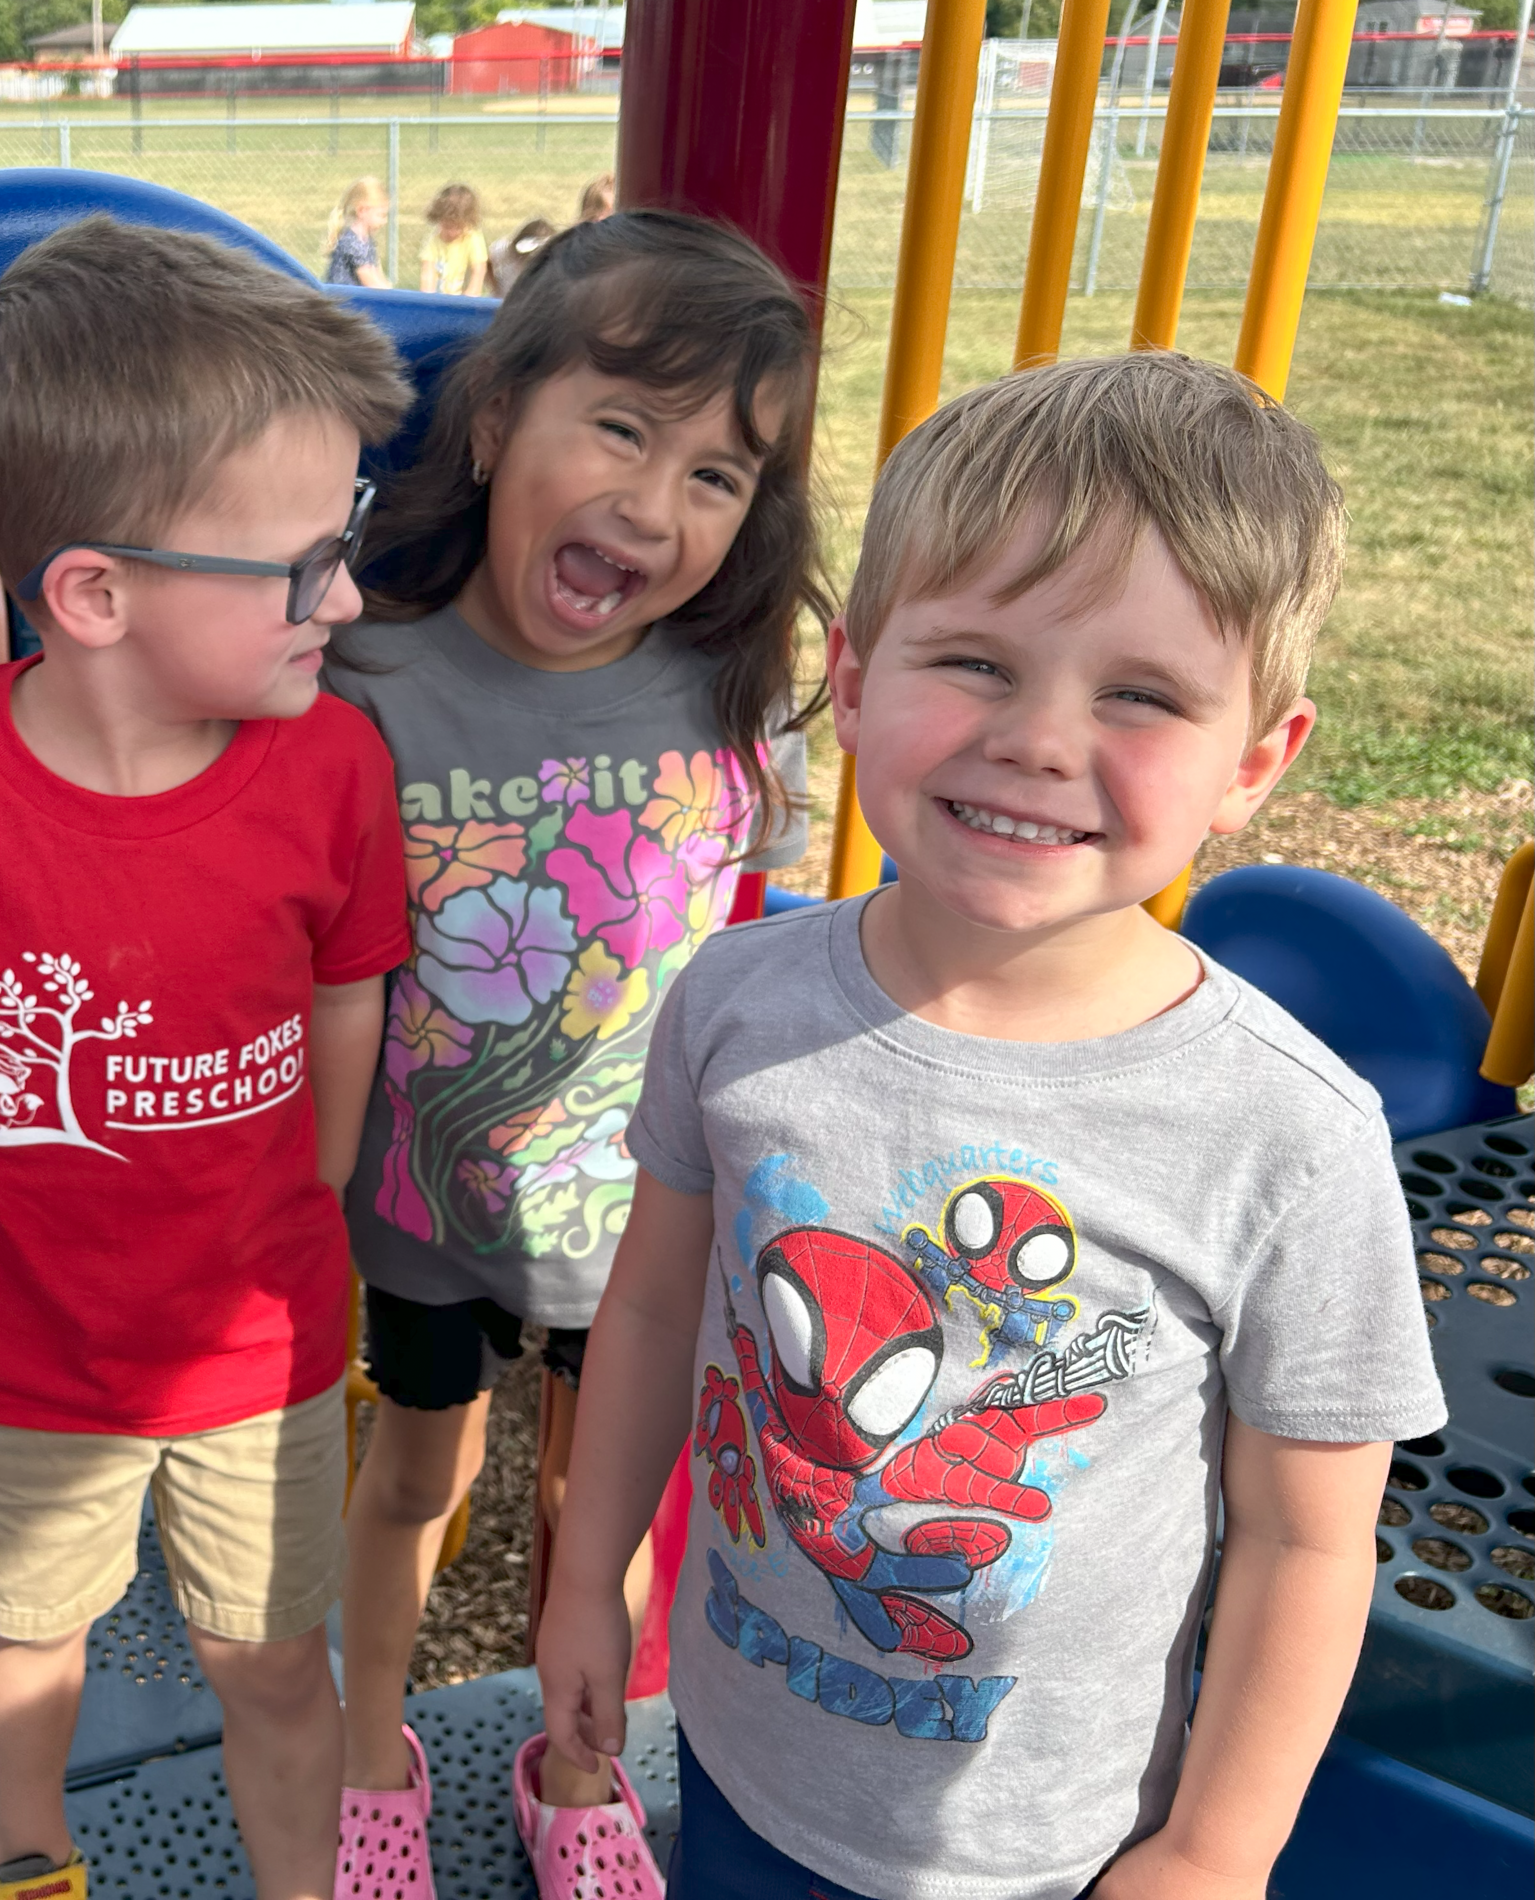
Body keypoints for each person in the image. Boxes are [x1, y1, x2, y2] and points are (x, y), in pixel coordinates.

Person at [538, 351, 1445, 1900]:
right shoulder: (741, 1001)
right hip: (741, 1763)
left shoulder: (1286, 1133)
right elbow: (648, 1304)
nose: (1037, 736)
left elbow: (1307, 1542)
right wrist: (585, 1579)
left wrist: (1218, 1850)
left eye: (1142, 694)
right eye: (974, 660)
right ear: (859, 661)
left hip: (1048, 1849)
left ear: (1255, 761)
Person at [0, 216, 413, 1900]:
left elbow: (350, 983)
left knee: (277, 1660)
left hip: (262, 1345)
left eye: (344, 541)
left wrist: (322, 1172)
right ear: (94, 593)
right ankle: (42, 1856)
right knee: (24, 1635)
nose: (345, 597)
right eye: (305, 564)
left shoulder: (332, 763)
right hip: (9, 1347)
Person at [326, 210, 824, 1900]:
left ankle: (578, 1768)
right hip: (420, 1212)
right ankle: (367, 1745)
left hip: (640, 1233)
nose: (657, 503)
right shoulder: (363, 684)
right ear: (492, 424)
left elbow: (762, 943)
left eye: (718, 476)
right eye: (620, 427)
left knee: (591, 1512)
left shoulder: (723, 694)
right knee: (412, 1474)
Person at [416, 183, 489, 297]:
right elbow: (428, 272)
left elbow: (478, 272)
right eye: (446, 227)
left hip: (465, 303)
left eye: (458, 228)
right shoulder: (434, 239)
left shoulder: (472, 238)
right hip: (440, 301)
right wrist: (428, 301)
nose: (451, 232)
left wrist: (467, 301)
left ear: (468, 222)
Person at [325, 174, 392, 288]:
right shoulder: (351, 242)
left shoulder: (367, 240)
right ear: (362, 210)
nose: (385, 221)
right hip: (342, 301)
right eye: (381, 215)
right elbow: (369, 280)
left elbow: (375, 273)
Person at [486, 216, 555, 298]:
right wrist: (495, 287)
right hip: (503, 301)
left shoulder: (552, 261)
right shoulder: (504, 250)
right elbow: (488, 262)